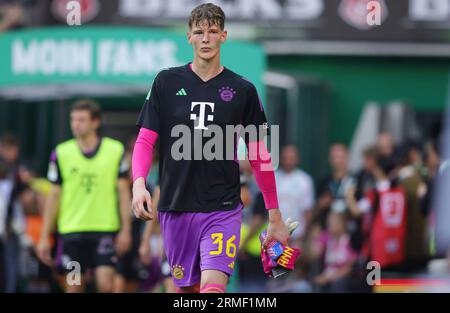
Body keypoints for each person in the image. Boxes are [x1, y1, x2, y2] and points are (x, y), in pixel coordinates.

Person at [131, 3, 290, 294]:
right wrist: (139, 184)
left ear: (224, 36)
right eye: (199, 32)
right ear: (189, 37)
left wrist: (274, 214)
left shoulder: (243, 90)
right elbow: (144, 140)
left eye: (213, 31)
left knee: (212, 290)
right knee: (185, 291)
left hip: (223, 208)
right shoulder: (166, 81)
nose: (206, 38)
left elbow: (259, 155)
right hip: (175, 207)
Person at [37, 99, 132, 293]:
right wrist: (44, 236)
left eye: (81, 120)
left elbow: (124, 193)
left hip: (105, 229)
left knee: (106, 286)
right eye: (73, 120)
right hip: (72, 232)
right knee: (73, 287)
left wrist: (126, 230)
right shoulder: (61, 153)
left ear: (95, 122)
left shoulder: (115, 150)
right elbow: (54, 196)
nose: (75, 124)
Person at [275, 144, 314, 242]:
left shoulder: (305, 180)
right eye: (286, 158)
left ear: (297, 159)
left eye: (291, 158)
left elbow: (307, 210)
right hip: (274, 234)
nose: (288, 161)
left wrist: (304, 236)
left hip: (296, 234)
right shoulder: (273, 177)